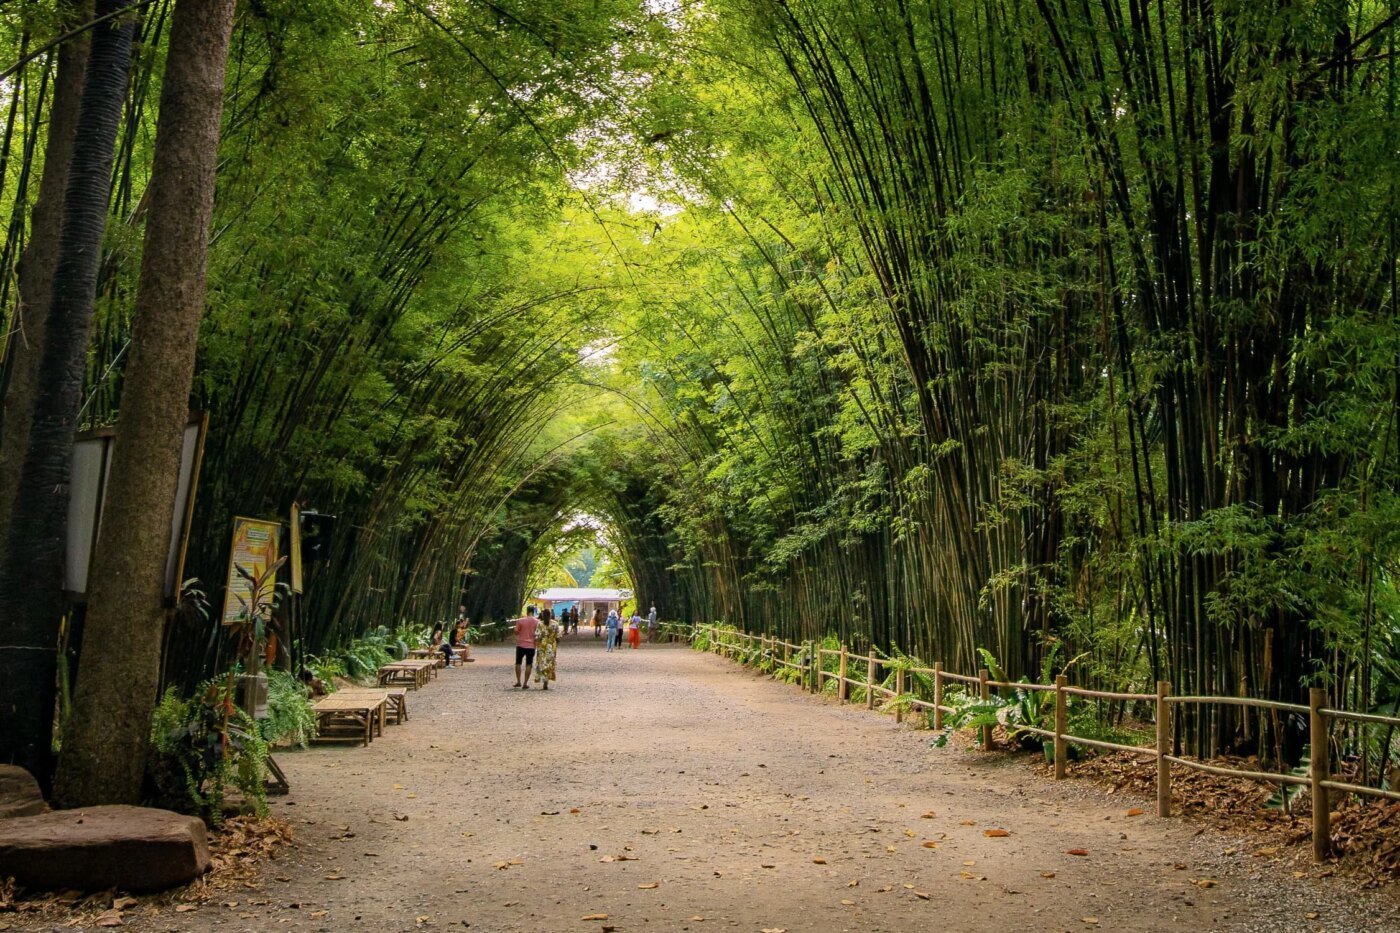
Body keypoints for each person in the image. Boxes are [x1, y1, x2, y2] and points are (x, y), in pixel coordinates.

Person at [513, 607, 540, 688]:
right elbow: (538, 634)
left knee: (518, 663)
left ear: (527, 611)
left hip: (521, 644)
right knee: (529, 664)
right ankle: (525, 683)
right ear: (533, 611)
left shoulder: (520, 621)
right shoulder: (537, 622)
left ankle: (518, 681)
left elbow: (516, 632)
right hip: (531, 645)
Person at [535, 616, 559, 690]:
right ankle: (546, 680)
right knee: (549, 663)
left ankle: (543, 679)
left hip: (542, 646)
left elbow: (537, 636)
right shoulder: (555, 624)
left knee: (542, 663)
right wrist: (556, 645)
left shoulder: (540, 624)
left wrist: (537, 645)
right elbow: (558, 636)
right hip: (551, 645)